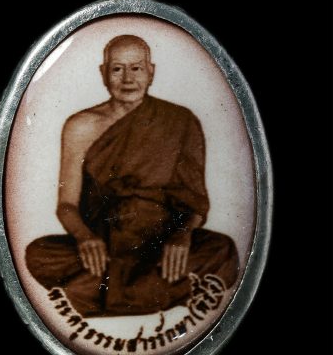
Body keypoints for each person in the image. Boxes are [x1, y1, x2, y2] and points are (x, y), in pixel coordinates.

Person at [26, 35, 239, 317]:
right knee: (38, 253)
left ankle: (106, 294)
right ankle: (151, 292)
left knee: (223, 251)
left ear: (151, 72)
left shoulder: (181, 120)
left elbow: (195, 202)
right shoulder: (80, 126)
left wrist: (183, 235)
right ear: (103, 73)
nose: (127, 78)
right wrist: (85, 238)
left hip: (159, 242)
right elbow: (66, 205)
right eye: (117, 69)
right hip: (105, 240)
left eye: (136, 68)